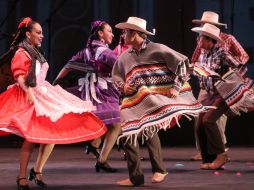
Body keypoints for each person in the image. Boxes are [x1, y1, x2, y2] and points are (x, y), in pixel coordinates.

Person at [0, 17, 106, 190]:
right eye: (38, 33)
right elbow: (19, 75)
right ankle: (21, 176)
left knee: (50, 133)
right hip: (30, 95)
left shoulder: (35, 52)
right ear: (28, 34)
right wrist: (28, 92)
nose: (42, 36)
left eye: (42, 33)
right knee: (31, 139)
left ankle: (37, 170)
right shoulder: (22, 52)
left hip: (42, 92)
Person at [112, 16, 210, 186]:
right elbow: (116, 76)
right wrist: (123, 87)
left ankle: (159, 170)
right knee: (126, 134)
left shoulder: (157, 49)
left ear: (135, 34)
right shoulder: (124, 57)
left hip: (154, 98)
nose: (122, 35)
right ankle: (136, 177)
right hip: (133, 101)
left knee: (149, 130)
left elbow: (183, 65)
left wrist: (176, 87)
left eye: (126, 32)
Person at [53, 20, 121, 172]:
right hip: (102, 92)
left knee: (109, 122)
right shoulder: (106, 53)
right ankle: (101, 159)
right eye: (109, 31)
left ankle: (94, 146)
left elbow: (68, 66)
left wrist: (54, 84)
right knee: (116, 124)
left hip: (93, 90)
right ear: (100, 33)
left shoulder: (86, 51)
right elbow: (122, 68)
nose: (112, 34)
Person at [191, 23, 254, 170]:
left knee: (208, 120)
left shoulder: (221, 52)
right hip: (210, 92)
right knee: (200, 123)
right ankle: (208, 158)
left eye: (201, 37)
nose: (199, 40)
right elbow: (198, 68)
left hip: (224, 92)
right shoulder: (202, 53)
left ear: (209, 40)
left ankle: (221, 155)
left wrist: (226, 76)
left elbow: (240, 66)